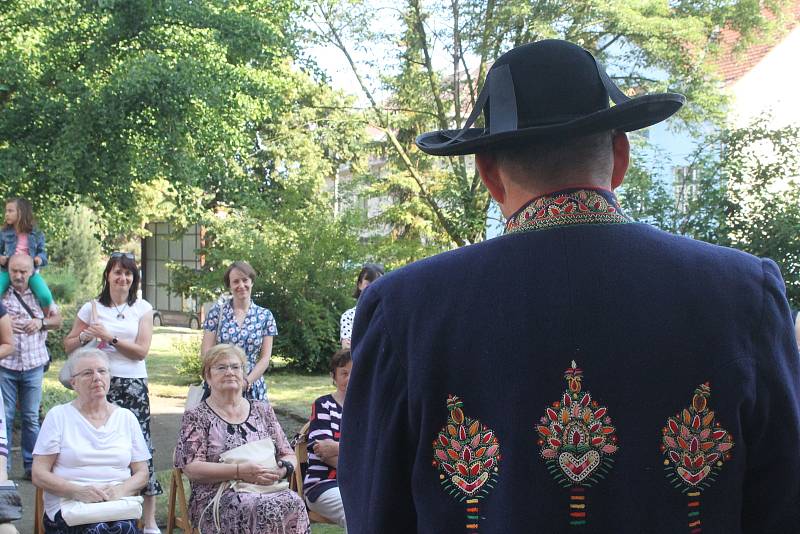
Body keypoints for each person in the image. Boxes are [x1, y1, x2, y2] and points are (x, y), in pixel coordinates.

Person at [338, 40, 800, 534]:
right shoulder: (745, 293)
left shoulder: (404, 310)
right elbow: (785, 502)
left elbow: (374, 513)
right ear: (620, 157)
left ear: (489, 173)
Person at [62, 252, 161, 533]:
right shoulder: (91, 307)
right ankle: (105, 507)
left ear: (134, 278)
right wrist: (86, 336)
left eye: (128, 273)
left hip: (132, 384)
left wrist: (110, 338)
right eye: (118, 272)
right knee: (100, 445)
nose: (123, 278)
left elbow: (141, 351)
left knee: (141, 448)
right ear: (108, 275)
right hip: (95, 381)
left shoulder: (142, 307)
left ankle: (149, 519)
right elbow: (69, 345)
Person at [175, 344, 309, 534]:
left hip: (266, 487)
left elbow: (288, 453)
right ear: (207, 376)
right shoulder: (197, 416)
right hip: (217, 495)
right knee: (251, 506)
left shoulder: (262, 410)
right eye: (221, 367)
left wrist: (279, 471)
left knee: (294, 501)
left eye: (235, 367)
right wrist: (239, 471)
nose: (230, 372)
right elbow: (191, 468)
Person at [31, 348, 150, 533]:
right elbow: (38, 473)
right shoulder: (59, 416)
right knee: (97, 530)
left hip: (116, 507)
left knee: (121, 528)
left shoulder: (127, 418)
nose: (97, 377)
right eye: (87, 373)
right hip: (71, 507)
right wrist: (77, 491)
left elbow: (142, 473)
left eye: (102, 371)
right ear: (74, 383)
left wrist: (120, 490)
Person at [0, 255, 62, 480]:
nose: (18, 276)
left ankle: (32, 467)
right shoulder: (2, 292)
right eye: (14, 271)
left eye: (23, 272)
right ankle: (2, 469)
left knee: (30, 417)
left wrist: (40, 323)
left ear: (31, 272)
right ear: (8, 271)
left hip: (34, 364)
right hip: (5, 364)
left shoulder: (40, 294)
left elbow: (58, 321)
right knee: (4, 417)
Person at [201, 261, 277, 400]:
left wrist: (246, 381)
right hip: (221, 385)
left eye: (245, 280)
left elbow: (265, 358)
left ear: (252, 282)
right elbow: (207, 353)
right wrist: (216, 379)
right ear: (229, 286)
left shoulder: (265, 316)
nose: (241, 285)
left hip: (252, 386)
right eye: (235, 281)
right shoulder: (217, 313)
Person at [303, 349, 351, 530]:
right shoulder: (324, 405)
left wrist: (338, 447)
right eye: (344, 373)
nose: (349, 378)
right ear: (334, 376)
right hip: (323, 484)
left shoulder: (369, 409)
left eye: (355, 372)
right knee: (355, 511)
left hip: (361, 482)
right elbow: (324, 453)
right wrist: (363, 457)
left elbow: (379, 451)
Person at [0, 198, 54, 312]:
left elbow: (42, 252)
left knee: (45, 296)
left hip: (29, 272)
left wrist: (39, 258)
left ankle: (44, 317)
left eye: (10, 211)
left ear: (21, 212)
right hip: (8, 270)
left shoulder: (37, 233)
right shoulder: (3, 232)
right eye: (6, 211)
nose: (7, 214)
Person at [340, 264, 383, 349]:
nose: (373, 288)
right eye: (368, 283)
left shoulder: (387, 314)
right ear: (359, 285)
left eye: (378, 283)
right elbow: (347, 348)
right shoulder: (349, 316)